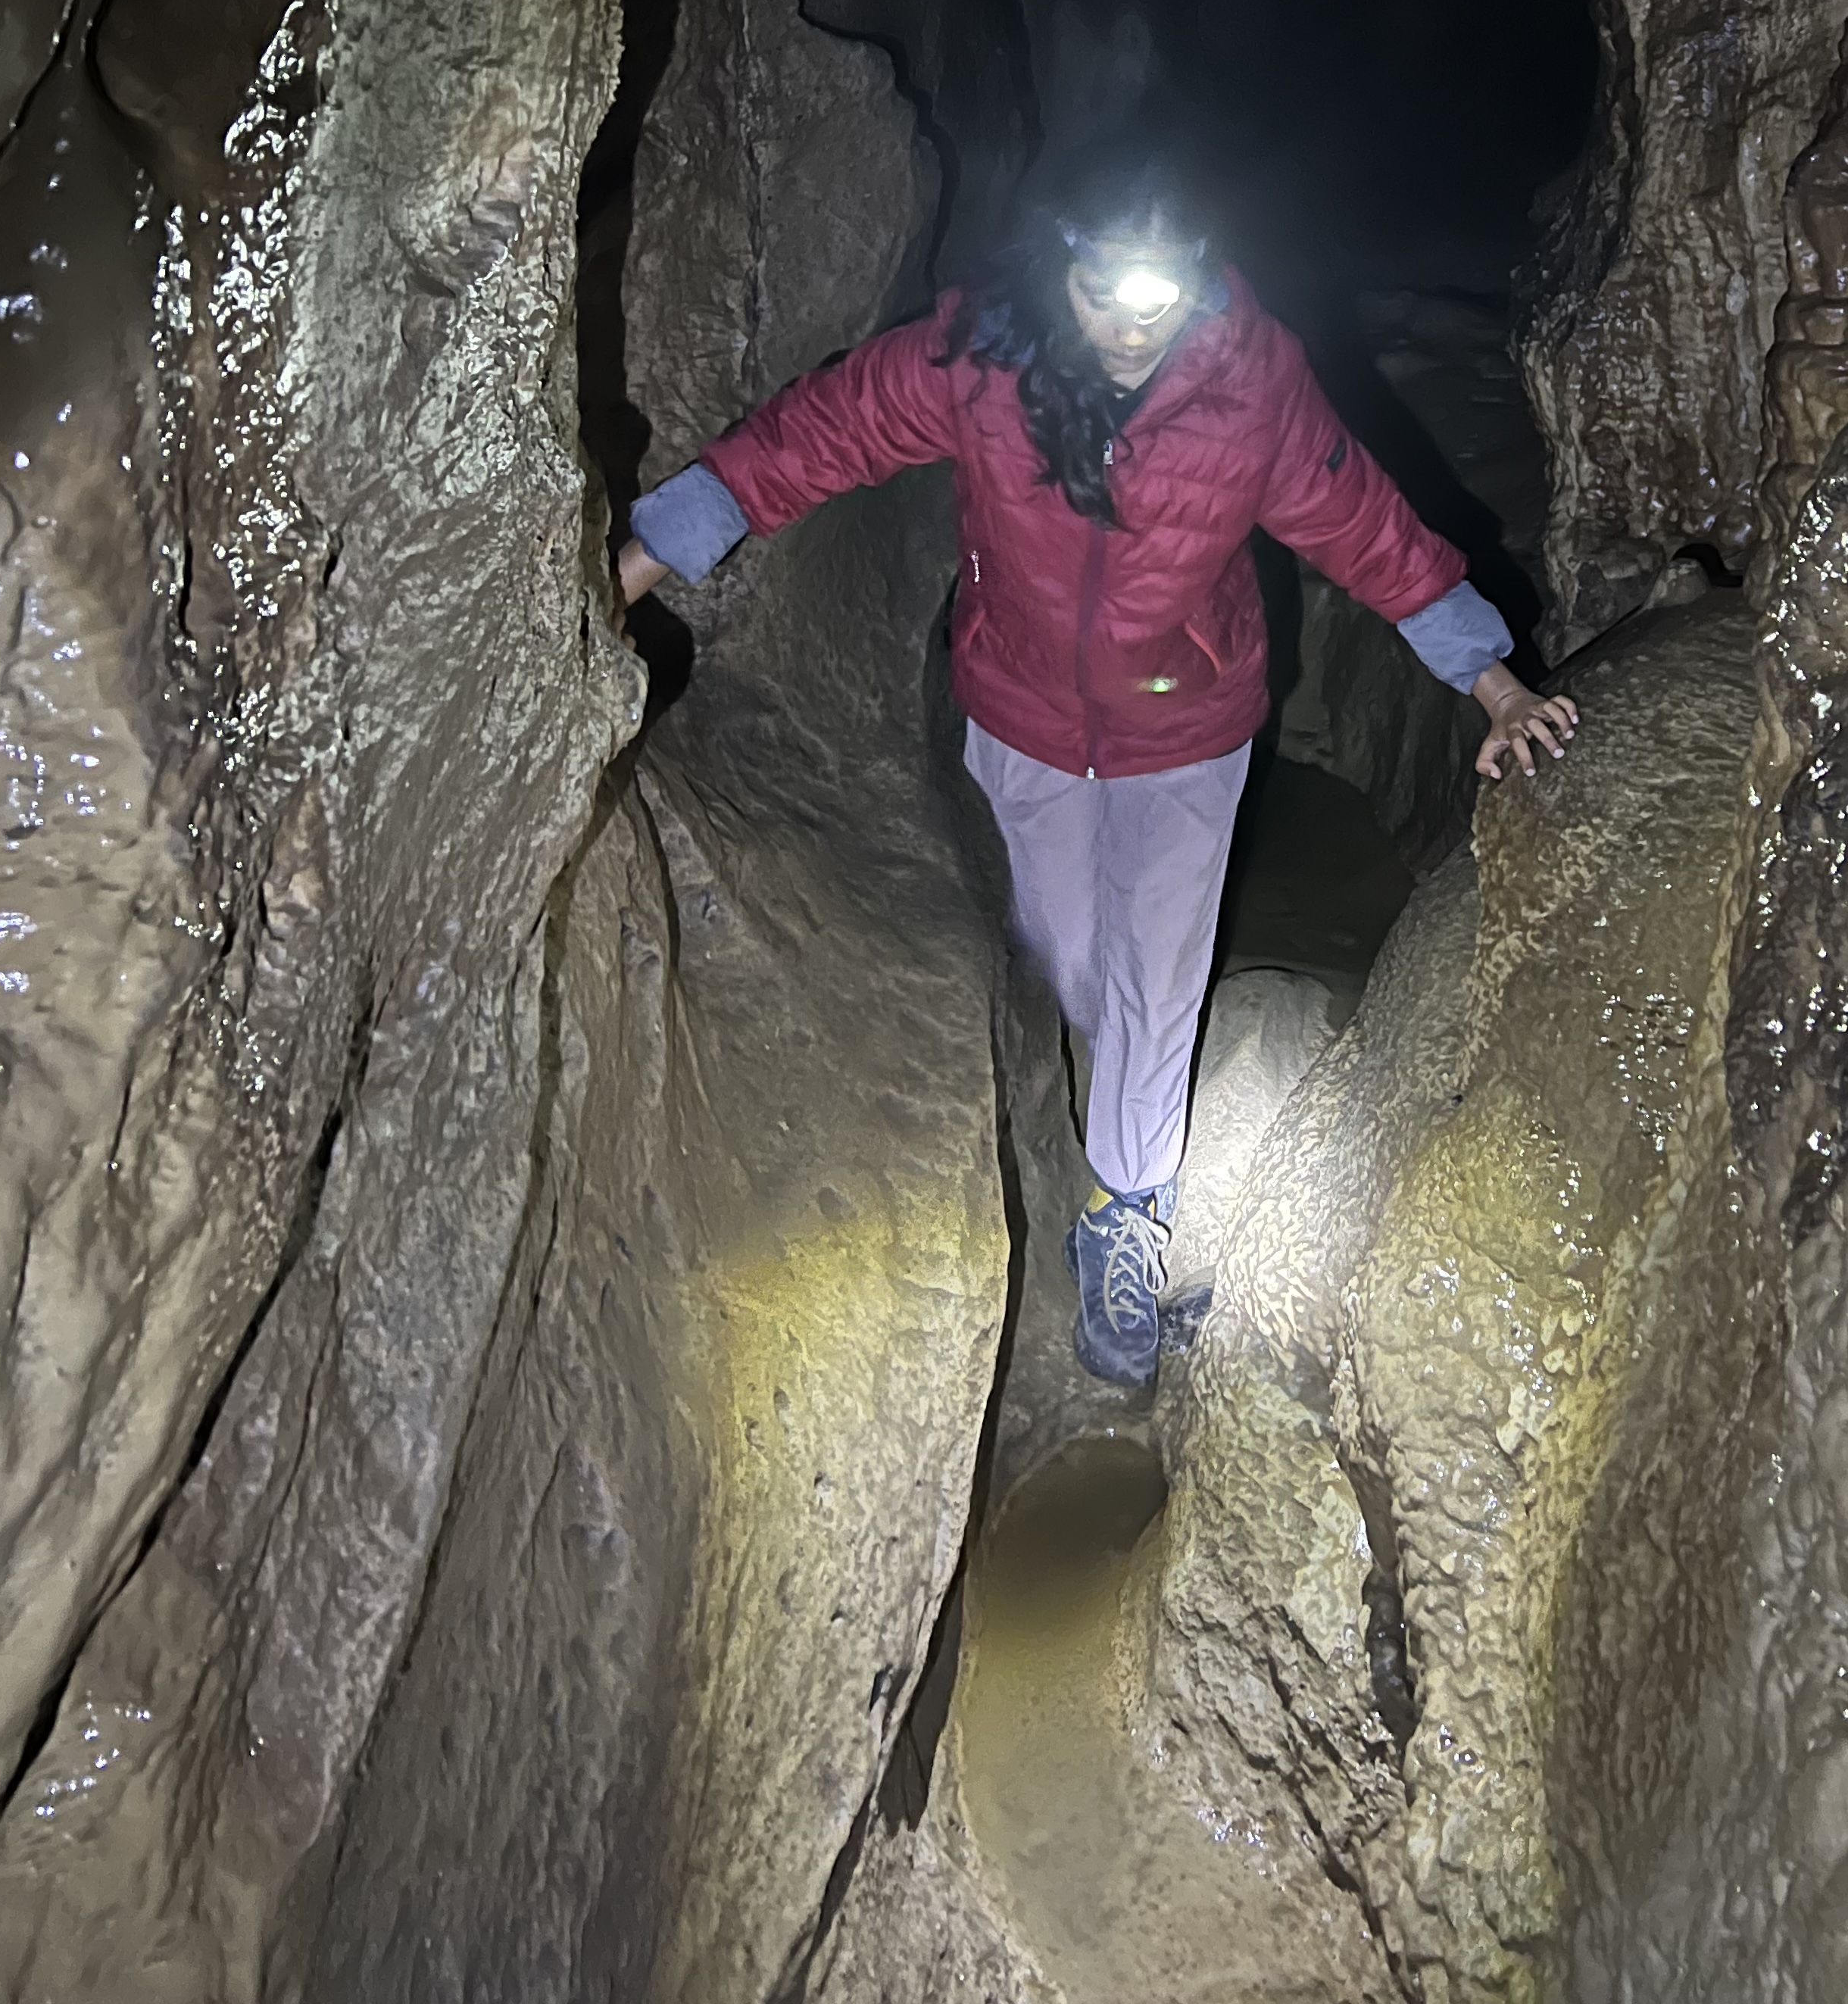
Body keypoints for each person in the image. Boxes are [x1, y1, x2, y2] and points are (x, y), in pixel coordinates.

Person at [616, 154, 1579, 1385]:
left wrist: (1490, 680)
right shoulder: (982, 358)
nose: (1128, 326)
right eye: (1101, 292)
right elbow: (815, 436)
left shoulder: (1252, 386)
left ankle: (1128, 1210)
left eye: (1158, 294)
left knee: (1154, 970)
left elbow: (1368, 528)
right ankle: (1100, 1080)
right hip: (1019, 716)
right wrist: (643, 560)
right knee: (1067, 956)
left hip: (1190, 728)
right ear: (1056, 267)